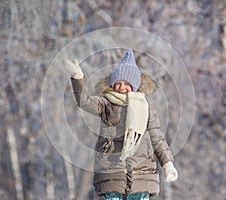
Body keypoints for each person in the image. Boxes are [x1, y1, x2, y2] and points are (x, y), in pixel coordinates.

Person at [64, 49, 178, 200]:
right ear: (112, 84)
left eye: (127, 83)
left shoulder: (147, 109)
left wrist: (167, 164)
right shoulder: (105, 104)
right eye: (118, 83)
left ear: (136, 86)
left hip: (141, 175)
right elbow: (84, 102)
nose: (122, 87)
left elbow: (157, 139)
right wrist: (78, 77)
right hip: (112, 173)